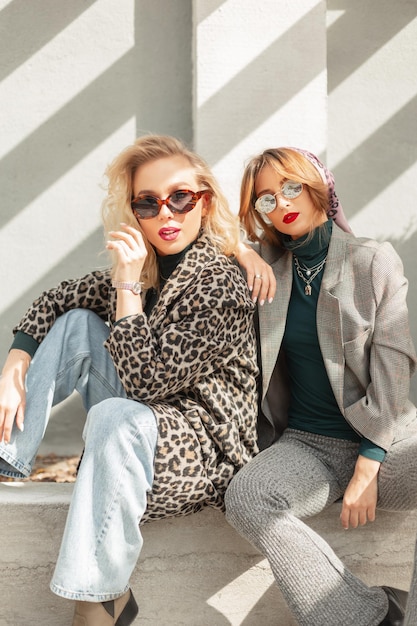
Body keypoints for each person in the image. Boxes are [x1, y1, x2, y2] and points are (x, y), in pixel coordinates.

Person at [0, 135, 261, 626]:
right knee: (78, 325)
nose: (166, 213)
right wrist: (14, 367)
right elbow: (59, 298)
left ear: (203, 202)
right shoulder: (149, 265)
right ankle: (7, 454)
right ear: (135, 211)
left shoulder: (221, 283)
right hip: (141, 423)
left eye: (180, 197)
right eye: (148, 202)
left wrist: (125, 288)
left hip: (202, 453)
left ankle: (96, 602)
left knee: (115, 411)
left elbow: (145, 383)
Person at [225, 146, 417, 626]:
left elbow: (394, 369)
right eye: (265, 199)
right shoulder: (264, 269)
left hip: (389, 441)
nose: (282, 203)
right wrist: (241, 251)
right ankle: (370, 615)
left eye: (290, 186)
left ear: (318, 185)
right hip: (309, 446)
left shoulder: (372, 260)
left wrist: (369, 466)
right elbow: (203, 231)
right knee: (247, 497)